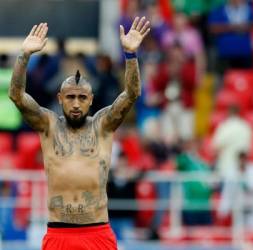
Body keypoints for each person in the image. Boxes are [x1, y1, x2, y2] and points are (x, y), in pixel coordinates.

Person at [8, 18, 150, 250]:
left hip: (97, 233)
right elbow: (17, 96)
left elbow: (132, 94)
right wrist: (23, 56)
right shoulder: (48, 125)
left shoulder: (103, 125)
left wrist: (130, 56)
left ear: (91, 100)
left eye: (82, 97)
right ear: (60, 99)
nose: (76, 104)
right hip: (58, 234)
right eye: (70, 97)